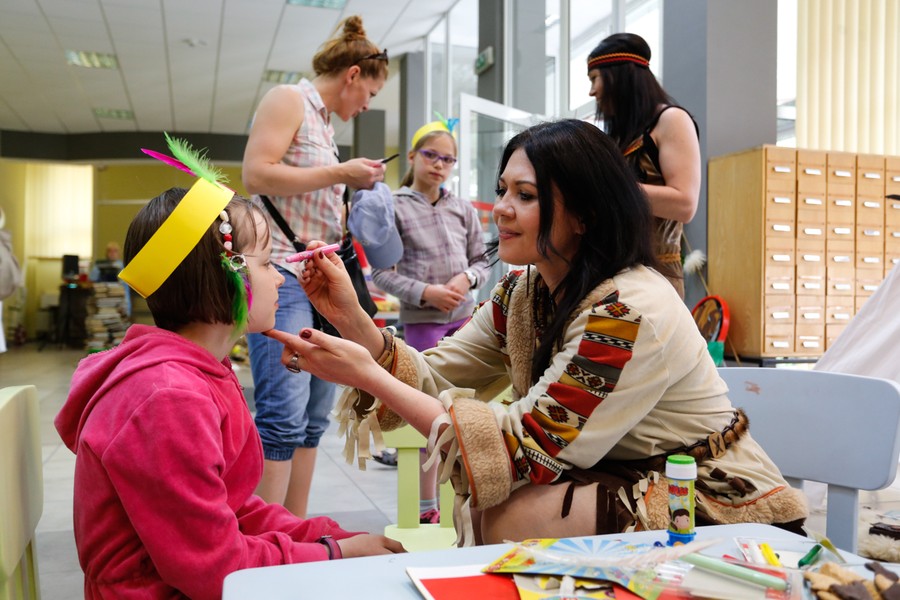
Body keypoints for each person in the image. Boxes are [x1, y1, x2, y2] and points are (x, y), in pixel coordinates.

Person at [264, 120, 808, 546]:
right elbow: (434, 372)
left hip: (708, 498)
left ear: (586, 215)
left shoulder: (627, 311)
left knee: (506, 515)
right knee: (495, 511)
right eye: (503, 190)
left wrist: (368, 374)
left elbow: (518, 449)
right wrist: (351, 319)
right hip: (625, 474)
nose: (500, 209)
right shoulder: (523, 292)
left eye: (525, 196)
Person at [54, 150, 403, 598]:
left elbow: (233, 508)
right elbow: (213, 568)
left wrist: (326, 535)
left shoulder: (200, 373)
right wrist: (334, 554)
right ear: (228, 277)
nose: (280, 278)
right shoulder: (168, 398)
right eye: (265, 263)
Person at [240, 14, 389, 517]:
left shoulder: (323, 123)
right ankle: (260, 541)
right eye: (368, 94)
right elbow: (257, 173)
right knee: (282, 413)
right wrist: (341, 171)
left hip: (318, 277)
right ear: (352, 75)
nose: (367, 105)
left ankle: (292, 528)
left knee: (314, 415)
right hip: (281, 273)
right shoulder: (288, 100)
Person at [361, 119, 491, 523]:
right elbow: (381, 273)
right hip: (423, 324)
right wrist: (426, 292)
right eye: (431, 155)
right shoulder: (394, 206)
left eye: (448, 159)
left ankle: (466, 500)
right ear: (414, 156)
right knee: (426, 414)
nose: (439, 164)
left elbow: (481, 262)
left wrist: (466, 279)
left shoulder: (462, 208)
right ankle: (425, 508)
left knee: (468, 414)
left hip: (467, 321)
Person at [587, 32, 701, 298]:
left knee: (644, 340)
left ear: (619, 75)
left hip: (657, 275)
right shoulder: (618, 135)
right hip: (611, 271)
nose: (591, 91)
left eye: (594, 79)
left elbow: (685, 204)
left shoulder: (671, 119)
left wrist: (608, 187)